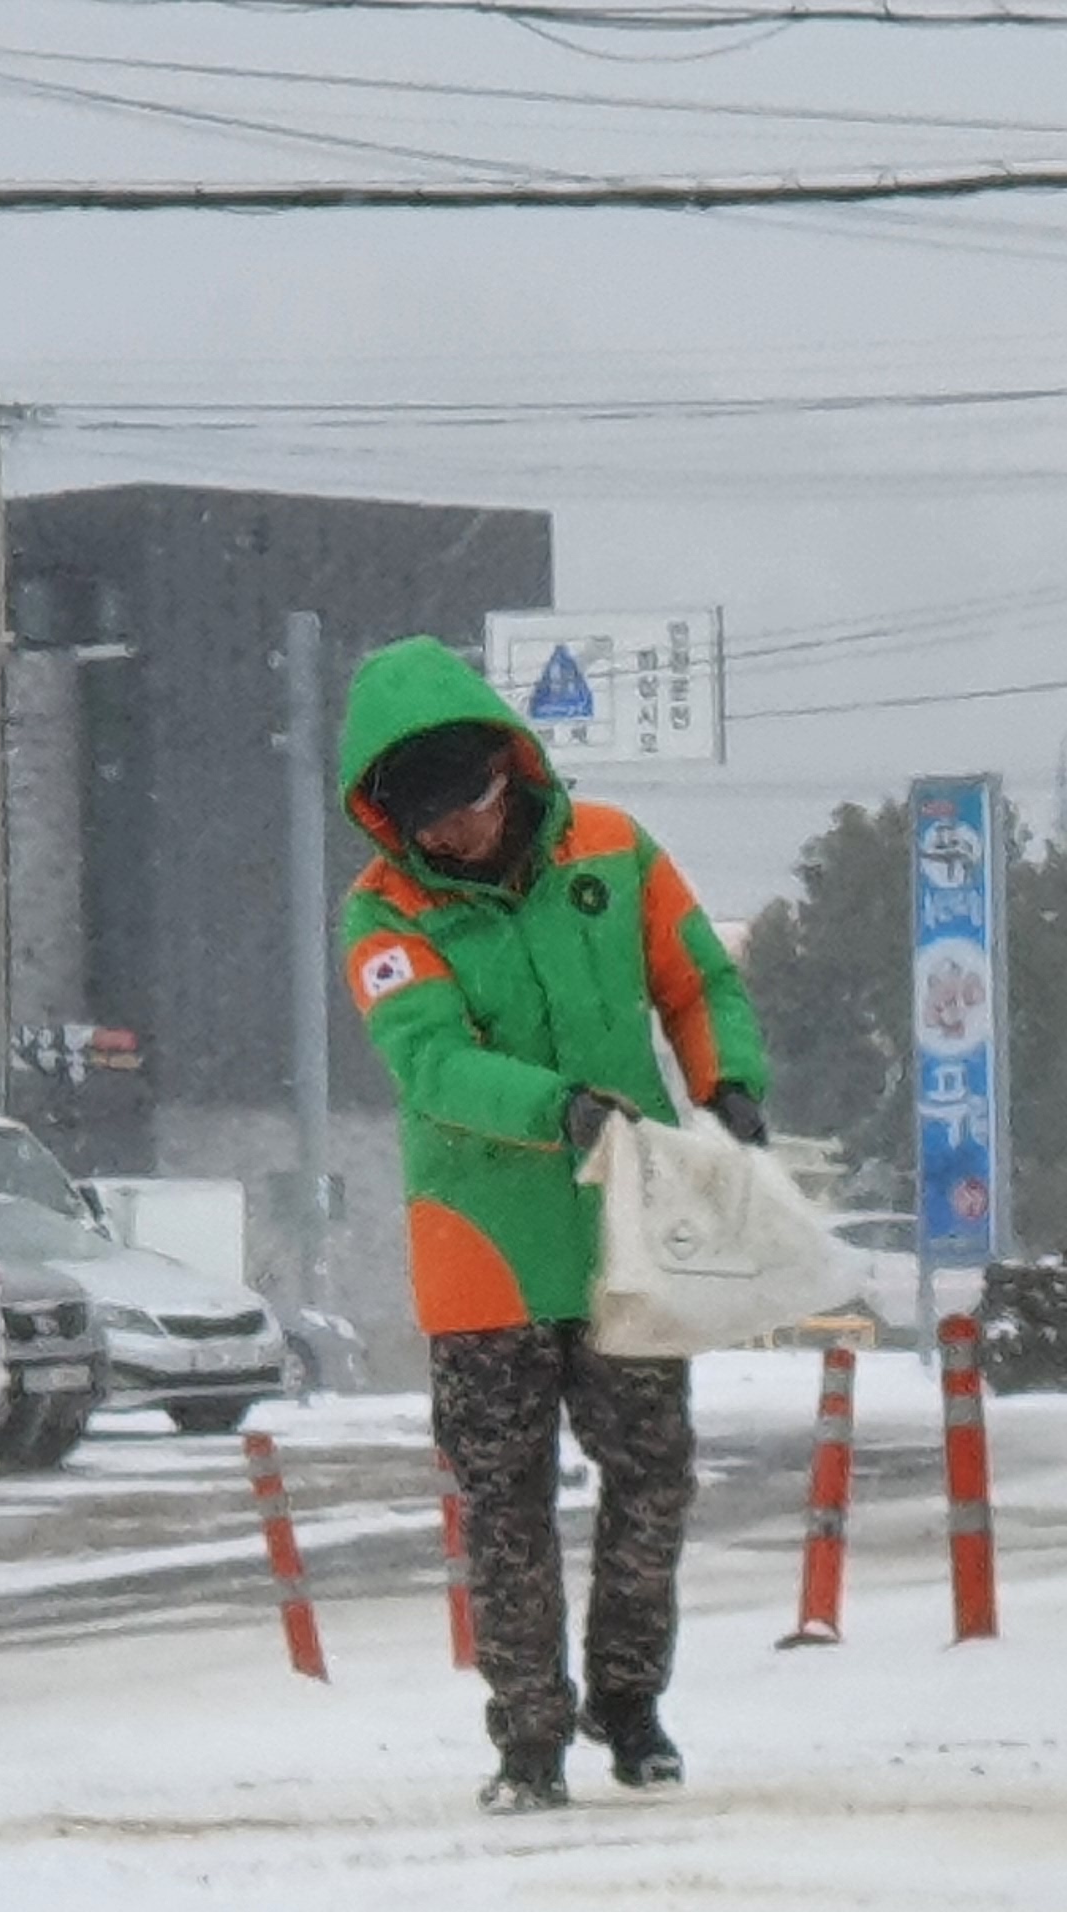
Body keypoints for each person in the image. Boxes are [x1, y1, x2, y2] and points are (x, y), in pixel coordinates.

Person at [336, 635, 772, 1813]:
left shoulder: (614, 851)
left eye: (467, 810)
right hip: (481, 1248)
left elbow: (695, 979)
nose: (455, 839)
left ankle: (629, 1704)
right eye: (426, 826)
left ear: (506, 772)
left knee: (654, 1477)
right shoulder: (382, 915)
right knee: (504, 1500)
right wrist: (557, 1108)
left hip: (626, 1238)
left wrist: (725, 1078)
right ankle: (528, 1737)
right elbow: (429, 1065)